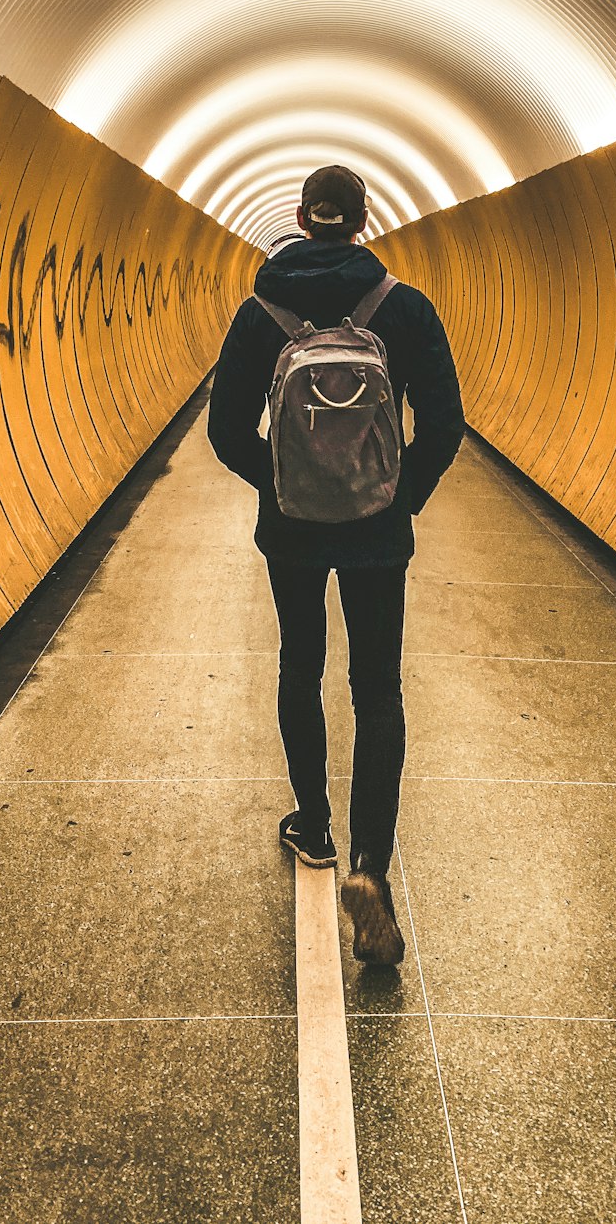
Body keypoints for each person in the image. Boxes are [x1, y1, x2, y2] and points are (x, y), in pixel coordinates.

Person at [207, 164, 465, 964]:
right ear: (362, 221)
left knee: (301, 666)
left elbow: (224, 431)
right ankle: (370, 867)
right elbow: (447, 422)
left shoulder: (259, 314)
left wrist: (282, 486)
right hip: (378, 535)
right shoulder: (405, 308)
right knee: (377, 687)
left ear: (298, 219)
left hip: (292, 533)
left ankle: (312, 826)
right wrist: (397, 496)